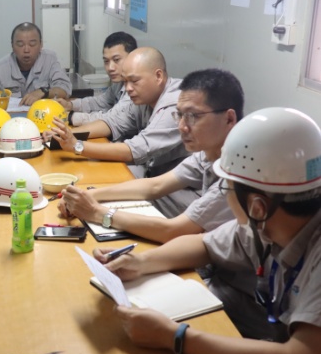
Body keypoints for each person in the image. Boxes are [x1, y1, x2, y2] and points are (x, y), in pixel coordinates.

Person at [97, 107, 321, 354]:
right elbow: (204, 244)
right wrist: (140, 262)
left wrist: (175, 336)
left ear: (257, 206)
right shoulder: (267, 226)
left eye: (226, 187)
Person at [59, 69, 242, 243]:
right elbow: (155, 186)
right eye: (180, 115)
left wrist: (96, 212)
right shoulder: (207, 152)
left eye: (193, 116)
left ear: (229, 119)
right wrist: (89, 195)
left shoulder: (237, 173)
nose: (181, 126)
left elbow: (173, 231)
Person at [51, 47, 192, 217]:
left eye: (134, 81)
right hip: (155, 177)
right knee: (94, 182)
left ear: (158, 76)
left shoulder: (175, 106)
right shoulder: (145, 97)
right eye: (125, 82)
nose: (128, 88)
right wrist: (68, 135)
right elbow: (112, 123)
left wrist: (77, 146)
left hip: (183, 193)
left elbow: (134, 150)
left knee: (103, 199)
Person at [0, 22, 72, 106]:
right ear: (12, 46)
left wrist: (44, 92)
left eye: (32, 44)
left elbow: (65, 88)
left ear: (41, 45)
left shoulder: (50, 60)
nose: (26, 50)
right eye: (20, 45)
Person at [56, 32, 137, 126]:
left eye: (116, 60)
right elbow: (100, 102)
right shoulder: (119, 83)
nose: (110, 68)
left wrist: (69, 117)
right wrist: (70, 105)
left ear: (133, 57)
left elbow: (111, 118)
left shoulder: (136, 89)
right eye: (106, 61)